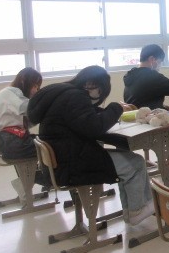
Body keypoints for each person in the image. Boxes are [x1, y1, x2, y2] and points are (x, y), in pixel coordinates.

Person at [27, 65, 155, 225]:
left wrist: (104, 112)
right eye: (101, 91)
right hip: (72, 165)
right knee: (136, 163)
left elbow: (81, 118)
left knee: (128, 160)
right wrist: (116, 108)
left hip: (62, 160)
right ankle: (136, 210)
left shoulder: (63, 93)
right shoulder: (75, 97)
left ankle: (135, 209)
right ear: (92, 85)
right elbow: (93, 127)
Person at [0, 67, 50, 200]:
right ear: (23, 81)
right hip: (12, 143)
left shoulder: (7, 93)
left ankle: (26, 185)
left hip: (6, 141)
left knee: (44, 141)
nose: (36, 90)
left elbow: (26, 120)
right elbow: (28, 109)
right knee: (49, 146)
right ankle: (34, 182)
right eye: (35, 86)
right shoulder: (12, 94)